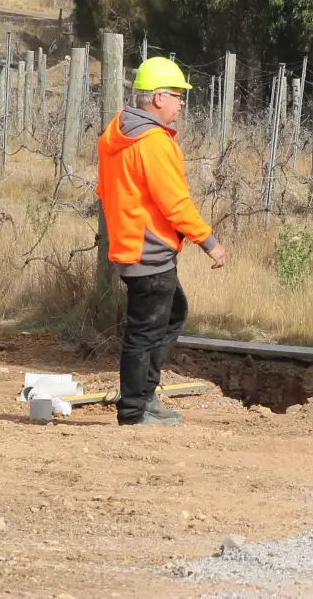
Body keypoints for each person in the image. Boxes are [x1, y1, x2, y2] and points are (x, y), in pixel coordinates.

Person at [97, 56, 227, 426]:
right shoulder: (153, 143)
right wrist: (209, 242)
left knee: (171, 314)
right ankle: (134, 411)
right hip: (149, 250)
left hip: (131, 244)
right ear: (157, 99)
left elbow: (106, 191)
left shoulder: (120, 134)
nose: (182, 102)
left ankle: (144, 398)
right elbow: (175, 202)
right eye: (176, 94)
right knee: (145, 331)